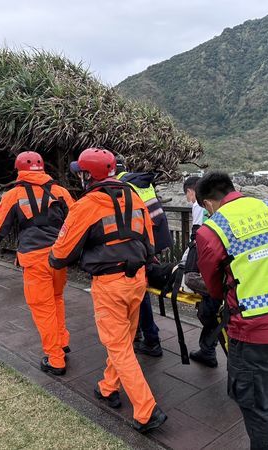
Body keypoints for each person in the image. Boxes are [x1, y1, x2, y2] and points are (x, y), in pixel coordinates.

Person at [49, 148, 166, 433]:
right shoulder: (135, 198)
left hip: (110, 284)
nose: (79, 177)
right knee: (124, 338)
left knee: (118, 345)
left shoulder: (87, 204)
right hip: (137, 280)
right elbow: (149, 244)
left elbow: (61, 254)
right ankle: (107, 387)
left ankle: (146, 410)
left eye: (81, 172)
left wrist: (53, 258)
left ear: (89, 175)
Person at [195, 171, 268, 450]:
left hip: (252, 326)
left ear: (208, 204)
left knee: (253, 400)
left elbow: (214, 285)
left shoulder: (212, 229)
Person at [0, 151, 73, 375]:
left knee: (42, 308)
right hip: (58, 257)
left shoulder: (13, 195)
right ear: (42, 168)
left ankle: (55, 359)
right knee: (56, 299)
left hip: (35, 260)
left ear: (19, 171)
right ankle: (62, 341)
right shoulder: (60, 191)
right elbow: (76, 222)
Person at [116, 157, 172, 357]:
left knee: (139, 291)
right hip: (155, 240)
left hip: (142, 244)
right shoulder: (138, 181)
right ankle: (140, 332)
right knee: (140, 289)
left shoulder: (122, 186)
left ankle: (151, 339)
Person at [182, 176, 220, 368]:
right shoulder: (216, 201)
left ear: (191, 191)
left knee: (209, 312)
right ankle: (207, 350)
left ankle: (209, 350)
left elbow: (197, 239)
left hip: (212, 268)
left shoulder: (199, 205)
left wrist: (186, 264)